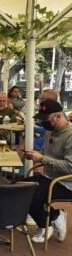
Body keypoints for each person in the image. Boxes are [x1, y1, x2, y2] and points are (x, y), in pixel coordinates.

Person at [24, 99, 72, 244]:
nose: (43, 122)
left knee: (29, 194)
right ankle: (55, 216)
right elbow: (45, 154)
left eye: (45, 119)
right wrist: (34, 154)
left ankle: (47, 224)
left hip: (67, 183)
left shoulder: (70, 135)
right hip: (49, 177)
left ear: (58, 116)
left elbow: (70, 166)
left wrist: (42, 158)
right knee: (18, 187)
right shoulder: (50, 131)